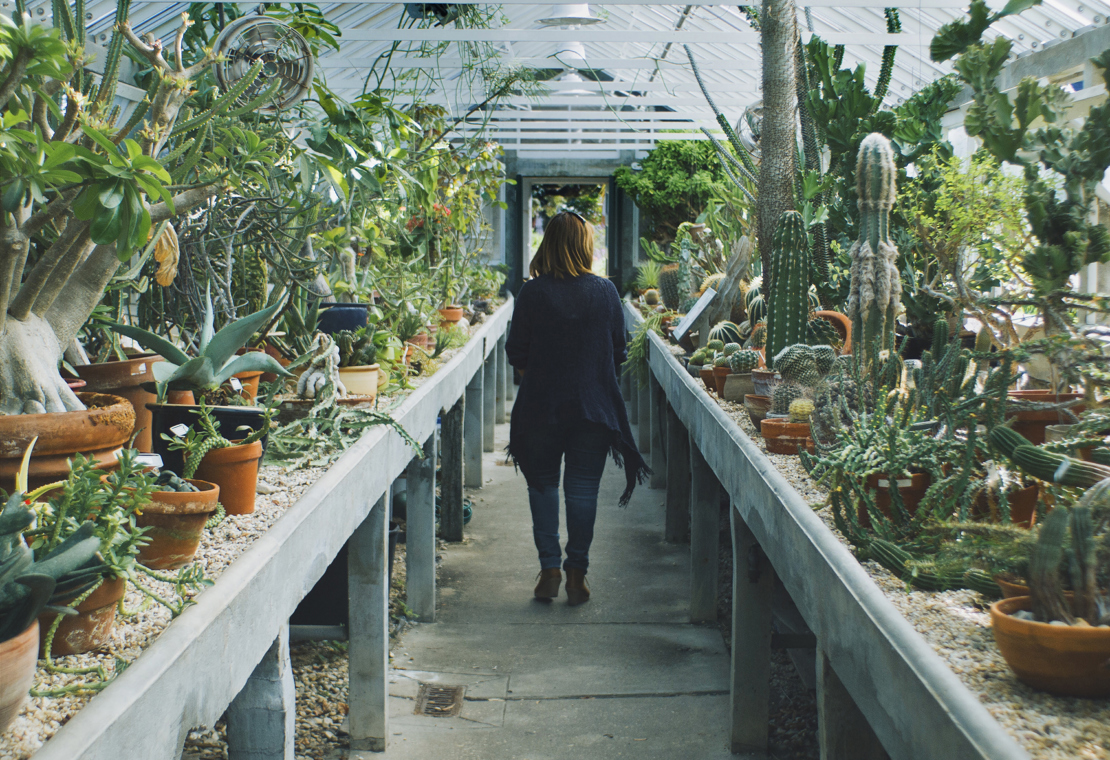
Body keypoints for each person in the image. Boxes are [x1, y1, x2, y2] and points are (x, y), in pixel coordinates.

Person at [505, 211, 649, 606]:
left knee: (543, 484)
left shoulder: (532, 293)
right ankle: (577, 575)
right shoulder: (605, 292)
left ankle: (549, 569)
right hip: (594, 408)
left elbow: (516, 352)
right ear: (584, 245)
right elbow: (618, 352)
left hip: (540, 408)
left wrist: (544, 370)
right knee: (583, 489)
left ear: (547, 242)